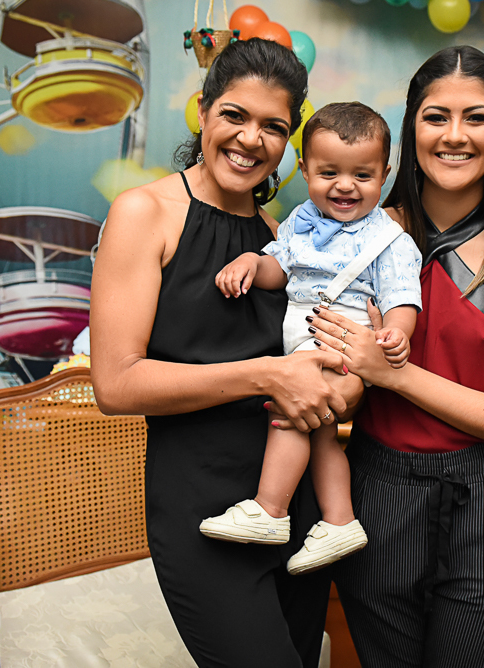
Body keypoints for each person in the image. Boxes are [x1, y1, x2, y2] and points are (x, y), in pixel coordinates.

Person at [90, 38, 349, 668]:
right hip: (202, 507)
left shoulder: (277, 239)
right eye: (235, 115)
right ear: (203, 111)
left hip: (291, 505)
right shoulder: (144, 213)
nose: (251, 139)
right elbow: (115, 385)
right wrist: (268, 375)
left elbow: (314, 358)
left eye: (274, 127)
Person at [308, 46, 484, 667]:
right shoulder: (357, 234)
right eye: (435, 117)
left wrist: (393, 374)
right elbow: (324, 370)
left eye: (476, 117)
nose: (455, 136)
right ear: (411, 129)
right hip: (377, 498)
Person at [201, 102, 423, 575]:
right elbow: (279, 268)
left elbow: (402, 297)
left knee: (289, 414)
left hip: (340, 341)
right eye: (329, 173)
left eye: (362, 175)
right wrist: (251, 263)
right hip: (305, 337)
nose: (345, 185)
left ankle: (269, 510)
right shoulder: (301, 220)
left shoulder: (391, 241)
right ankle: (340, 521)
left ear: (384, 174)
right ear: (304, 170)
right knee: (321, 434)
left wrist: (396, 332)